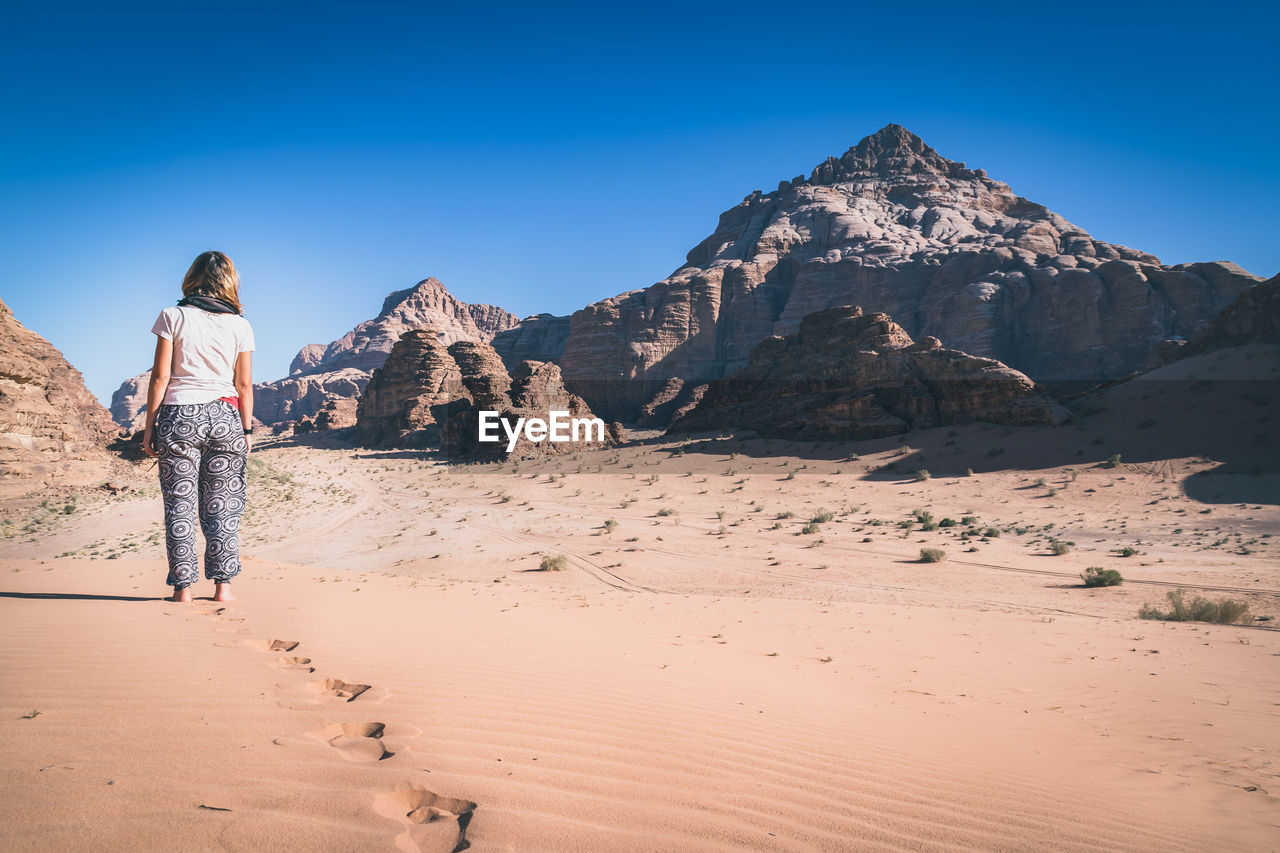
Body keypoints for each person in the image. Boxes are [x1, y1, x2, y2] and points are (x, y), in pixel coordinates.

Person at [142, 251, 255, 603]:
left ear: (192, 277)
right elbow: (244, 385)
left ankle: (183, 591)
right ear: (230, 282)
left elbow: (160, 376)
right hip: (225, 417)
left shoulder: (172, 316)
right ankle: (224, 588)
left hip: (179, 417)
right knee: (222, 505)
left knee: (180, 504)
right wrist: (246, 430)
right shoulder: (241, 324)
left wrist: (150, 426)